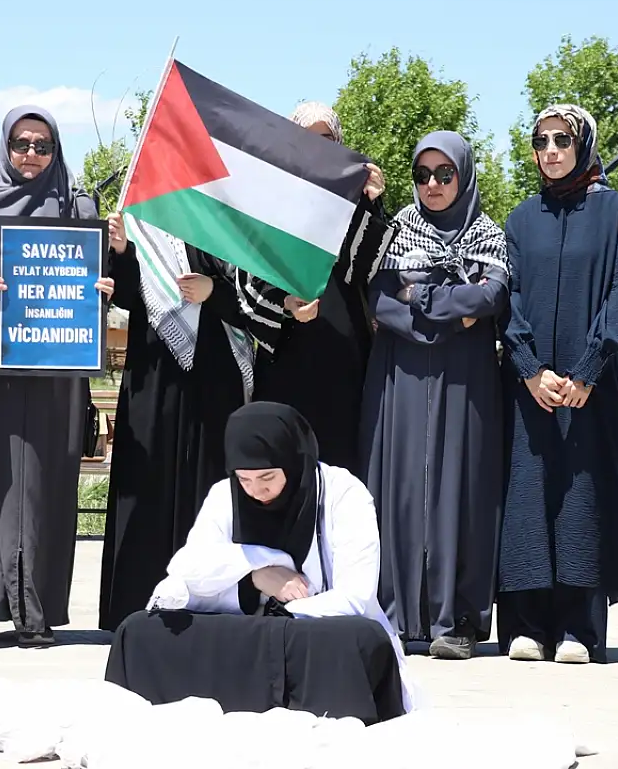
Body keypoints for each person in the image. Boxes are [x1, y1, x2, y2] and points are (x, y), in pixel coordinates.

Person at [106, 402, 414, 724]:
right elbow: (190, 569)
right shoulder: (225, 494)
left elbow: (356, 595)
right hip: (245, 631)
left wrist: (289, 610)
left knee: (355, 637)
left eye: (267, 476)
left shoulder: (343, 493)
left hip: (317, 633)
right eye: (244, 479)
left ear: (293, 462)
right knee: (141, 630)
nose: (256, 490)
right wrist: (254, 574)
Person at [0, 106, 113, 647]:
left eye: (43, 146)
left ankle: (34, 611)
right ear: (5, 145)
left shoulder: (77, 205)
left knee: (43, 488)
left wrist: (103, 284)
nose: (32, 155)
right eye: (22, 143)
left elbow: (98, 279)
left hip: (53, 370)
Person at [498, 104, 618, 665]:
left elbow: (616, 292)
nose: (552, 150)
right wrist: (530, 368)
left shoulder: (612, 210)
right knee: (529, 495)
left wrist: (587, 371)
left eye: (562, 139)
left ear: (582, 145)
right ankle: (527, 626)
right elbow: (508, 299)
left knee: (581, 497)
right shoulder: (520, 218)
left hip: (589, 385)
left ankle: (578, 629)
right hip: (530, 385)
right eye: (541, 141)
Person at [359, 131, 509, 659]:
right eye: (422, 175)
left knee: (461, 488)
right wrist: (445, 314)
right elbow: (379, 299)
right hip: (400, 376)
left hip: (466, 380)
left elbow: (490, 295)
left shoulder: (487, 234)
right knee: (398, 486)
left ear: (463, 176)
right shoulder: (396, 231)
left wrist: (417, 295)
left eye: (445, 174)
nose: (432, 185)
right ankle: (395, 615)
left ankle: (457, 621)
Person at [96, 210, 254, 632]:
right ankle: (135, 603)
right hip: (153, 369)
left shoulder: (231, 215)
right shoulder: (143, 218)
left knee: (209, 485)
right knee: (146, 479)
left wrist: (214, 292)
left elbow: (256, 297)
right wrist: (122, 251)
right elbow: (126, 296)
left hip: (217, 369)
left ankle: (207, 599)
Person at [230, 102, 394, 473]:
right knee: (286, 461)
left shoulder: (356, 196)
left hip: (345, 353)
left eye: (326, 138)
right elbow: (250, 276)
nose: (317, 146)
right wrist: (286, 304)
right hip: (287, 351)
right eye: (306, 137)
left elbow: (374, 270)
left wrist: (373, 203)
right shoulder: (269, 200)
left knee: (342, 462)